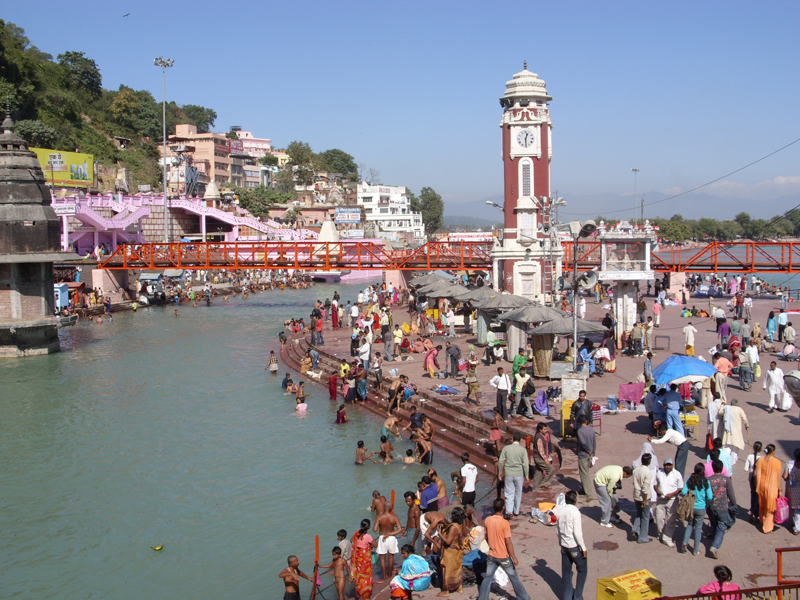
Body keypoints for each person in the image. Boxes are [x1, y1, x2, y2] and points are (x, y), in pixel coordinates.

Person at [476, 498, 531, 600]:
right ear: (503, 508)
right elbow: (508, 542)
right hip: (504, 556)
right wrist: (513, 557)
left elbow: (486, 537)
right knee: (514, 578)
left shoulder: (487, 520)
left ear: (493, 507)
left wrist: (492, 546)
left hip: (492, 555)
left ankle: (482, 598)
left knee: (487, 578)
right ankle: (524, 598)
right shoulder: (504, 523)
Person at [557, 490, 587, 600]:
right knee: (582, 570)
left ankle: (567, 596)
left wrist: (561, 542)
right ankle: (578, 596)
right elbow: (577, 533)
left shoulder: (560, 511)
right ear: (575, 500)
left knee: (566, 572)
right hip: (573, 546)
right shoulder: (575, 512)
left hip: (564, 546)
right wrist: (583, 547)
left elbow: (557, 531)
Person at [679, 463, 713, 555]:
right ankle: (695, 550)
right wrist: (705, 501)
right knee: (698, 529)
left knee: (690, 524)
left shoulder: (690, 479)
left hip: (691, 507)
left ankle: (685, 542)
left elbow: (684, 492)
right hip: (701, 508)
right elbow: (710, 496)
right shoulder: (706, 482)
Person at [707, 459, 737, 558]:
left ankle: (713, 537)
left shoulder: (708, 480)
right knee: (721, 527)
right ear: (722, 468)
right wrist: (734, 505)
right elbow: (731, 494)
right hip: (722, 507)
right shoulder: (726, 480)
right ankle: (714, 547)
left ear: (713, 468)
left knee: (714, 523)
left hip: (711, 506)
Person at [434, 507, 466, 596]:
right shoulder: (458, 526)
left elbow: (448, 542)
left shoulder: (453, 527)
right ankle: (459, 588)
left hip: (450, 552)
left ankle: (446, 591)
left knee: (446, 570)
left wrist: (440, 533)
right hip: (457, 551)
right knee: (457, 569)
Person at [499, 431, 530, 517]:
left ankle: (509, 511)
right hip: (519, 474)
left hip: (509, 474)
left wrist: (500, 472)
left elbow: (501, 461)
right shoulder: (523, 450)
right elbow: (525, 464)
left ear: (513, 439)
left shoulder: (506, 448)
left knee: (509, 493)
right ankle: (516, 511)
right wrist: (526, 475)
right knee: (518, 493)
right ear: (520, 440)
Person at [654, 457, 683, 547]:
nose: (668, 466)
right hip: (661, 500)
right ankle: (661, 535)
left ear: (672, 465)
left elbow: (680, 488)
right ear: (664, 465)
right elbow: (655, 484)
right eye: (666, 465)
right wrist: (657, 491)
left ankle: (667, 538)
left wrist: (672, 494)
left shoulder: (677, 474)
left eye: (669, 465)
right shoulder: (659, 473)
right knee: (659, 519)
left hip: (672, 501)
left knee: (671, 520)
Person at [755, 443, 783, 533]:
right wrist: (780, 490)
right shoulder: (777, 462)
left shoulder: (760, 460)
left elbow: (756, 473)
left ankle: (763, 521)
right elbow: (778, 478)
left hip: (761, 486)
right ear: (773, 451)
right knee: (770, 507)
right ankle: (767, 527)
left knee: (763, 504)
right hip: (771, 487)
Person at [373, 502, 403, 583]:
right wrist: (389, 534)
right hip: (391, 538)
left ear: (384, 507)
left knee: (382, 558)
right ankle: (389, 575)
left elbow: (375, 529)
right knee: (391, 557)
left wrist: (377, 523)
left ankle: (384, 577)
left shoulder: (379, 517)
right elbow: (399, 529)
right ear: (391, 508)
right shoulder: (394, 517)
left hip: (382, 538)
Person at [717, 398, 749, 465]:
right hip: (736, 432)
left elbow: (720, 412)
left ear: (731, 403)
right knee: (735, 447)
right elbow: (744, 419)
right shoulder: (739, 409)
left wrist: (722, 405)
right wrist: (747, 425)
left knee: (727, 446)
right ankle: (732, 462)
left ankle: (724, 460)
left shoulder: (727, 408)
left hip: (728, 431)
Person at [351, 520, 377, 599]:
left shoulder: (356, 534)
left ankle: (360, 592)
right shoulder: (368, 536)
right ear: (368, 527)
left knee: (359, 577)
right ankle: (366, 594)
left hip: (358, 561)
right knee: (367, 577)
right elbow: (376, 545)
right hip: (366, 562)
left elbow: (351, 541)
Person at [631, 453, 654, 543]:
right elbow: (645, 488)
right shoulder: (648, 472)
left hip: (636, 495)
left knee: (638, 513)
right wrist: (645, 500)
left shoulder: (636, 470)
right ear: (649, 461)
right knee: (645, 517)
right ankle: (643, 537)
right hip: (644, 497)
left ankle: (635, 529)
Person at [576, 415, 596, 499]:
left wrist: (588, 450)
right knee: (585, 472)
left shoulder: (580, 431)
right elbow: (594, 442)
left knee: (584, 474)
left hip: (583, 454)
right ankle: (584, 489)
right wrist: (593, 452)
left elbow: (583, 442)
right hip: (589, 455)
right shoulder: (591, 429)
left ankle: (588, 493)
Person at [532, 422, 556, 490]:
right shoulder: (539, 438)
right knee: (551, 469)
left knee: (538, 474)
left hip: (537, 457)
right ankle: (544, 483)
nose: (546, 431)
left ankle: (535, 489)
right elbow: (541, 451)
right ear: (540, 430)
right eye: (544, 429)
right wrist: (546, 460)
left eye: (546, 429)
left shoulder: (540, 435)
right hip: (539, 458)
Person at [782, 447, 800, 535]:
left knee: (794, 508)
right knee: (798, 509)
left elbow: (785, 476)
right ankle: (797, 524)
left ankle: (797, 527)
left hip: (792, 490)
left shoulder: (789, 464)